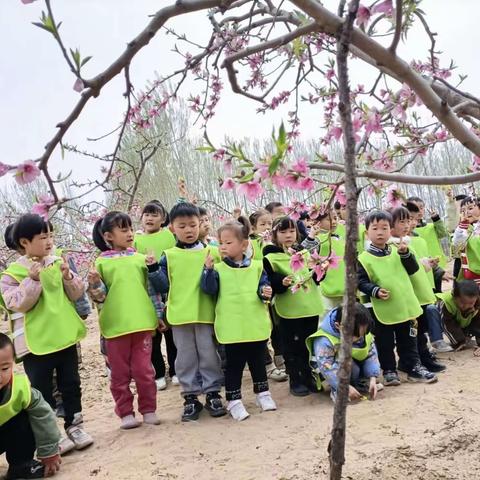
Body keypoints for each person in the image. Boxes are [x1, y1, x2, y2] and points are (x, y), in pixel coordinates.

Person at [0, 214, 92, 452]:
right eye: (43, 237)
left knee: (71, 384)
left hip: (64, 337)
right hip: (35, 345)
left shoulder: (57, 261)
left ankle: (75, 425)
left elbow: (75, 294)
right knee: (42, 390)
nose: (50, 241)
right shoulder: (11, 275)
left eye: (51, 235)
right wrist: (32, 280)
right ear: (24, 242)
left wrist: (68, 277)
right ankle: (53, 434)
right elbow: (17, 303)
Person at [149, 202, 226, 422]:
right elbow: (163, 286)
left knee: (209, 354)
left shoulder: (211, 252)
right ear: (172, 228)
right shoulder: (169, 255)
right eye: (182, 226)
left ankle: (212, 393)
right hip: (180, 316)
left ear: (200, 224)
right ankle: (190, 396)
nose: (189, 230)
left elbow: (218, 284)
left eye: (193, 225)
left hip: (205, 314)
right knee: (185, 358)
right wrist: (154, 269)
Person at [88, 211, 160, 430]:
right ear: (108, 236)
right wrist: (94, 284)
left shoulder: (141, 259)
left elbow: (152, 292)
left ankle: (148, 409)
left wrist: (158, 315)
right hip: (115, 327)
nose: (130, 233)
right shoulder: (100, 264)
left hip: (142, 324)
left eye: (130, 228)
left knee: (144, 371)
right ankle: (125, 412)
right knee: (119, 374)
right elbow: (99, 297)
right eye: (124, 229)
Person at [201, 218, 277, 421]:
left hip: (254, 324)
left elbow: (264, 288)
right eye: (221, 243)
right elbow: (209, 290)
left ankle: (263, 394)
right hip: (231, 327)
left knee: (258, 361)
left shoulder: (258, 267)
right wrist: (207, 270)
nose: (223, 247)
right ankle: (234, 400)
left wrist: (265, 292)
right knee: (233, 366)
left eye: (228, 242)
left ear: (244, 244)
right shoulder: (217, 268)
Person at [357, 210, 437, 386]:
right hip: (382, 309)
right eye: (375, 228)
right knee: (384, 342)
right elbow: (360, 281)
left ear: (390, 230)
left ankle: (413, 366)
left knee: (409, 339)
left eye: (385, 228)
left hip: (405, 304)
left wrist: (406, 254)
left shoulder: (398, 250)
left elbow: (413, 269)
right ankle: (389, 370)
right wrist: (375, 290)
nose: (380, 232)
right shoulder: (363, 258)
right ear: (367, 232)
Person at [263, 216, 326, 396]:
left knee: (309, 346)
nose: (288, 235)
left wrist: (322, 269)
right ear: (274, 234)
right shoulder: (270, 257)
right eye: (282, 232)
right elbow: (269, 280)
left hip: (310, 307)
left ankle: (309, 378)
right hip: (289, 311)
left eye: (291, 231)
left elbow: (314, 277)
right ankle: (295, 380)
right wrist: (280, 282)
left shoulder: (304, 253)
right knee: (292, 347)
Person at [389, 207, 445, 373]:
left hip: (418, 293)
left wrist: (427, 263)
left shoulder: (406, 242)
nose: (407, 225)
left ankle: (423, 357)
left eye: (408, 221)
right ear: (390, 224)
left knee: (419, 329)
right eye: (402, 221)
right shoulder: (391, 246)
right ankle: (411, 361)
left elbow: (414, 267)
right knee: (409, 332)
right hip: (408, 295)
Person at [0, 333, 62, 480]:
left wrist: (49, 451)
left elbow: (44, 416)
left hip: (7, 435)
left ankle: (21, 465)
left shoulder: (21, 389)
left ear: (13, 362)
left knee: (29, 414)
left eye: (4, 368)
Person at [134, 200, 178, 391]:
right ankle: (158, 373)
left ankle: (175, 371)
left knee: (171, 334)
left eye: (155, 214)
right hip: (147, 292)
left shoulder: (169, 235)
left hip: (168, 288)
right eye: (147, 214)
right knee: (152, 337)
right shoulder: (136, 240)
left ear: (163, 219)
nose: (150, 218)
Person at [306, 304, 382, 403]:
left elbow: (371, 353)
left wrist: (373, 378)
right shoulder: (324, 340)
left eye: (362, 334)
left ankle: (361, 382)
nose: (359, 338)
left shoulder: (361, 331)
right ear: (339, 326)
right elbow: (326, 368)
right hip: (334, 371)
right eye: (355, 335)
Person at [405, 202, 453, 353]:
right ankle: (420, 348)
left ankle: (435, 340)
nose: (412, 223)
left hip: (427, 281)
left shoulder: (419, 238)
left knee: (432, 308)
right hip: (412, 286)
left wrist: (437, 270)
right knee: (416, 316)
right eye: (408, 219)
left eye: (413, 219)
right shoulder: (398, 242)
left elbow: (423, 260)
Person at [249, 209, 287, 383]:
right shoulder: (249, 244)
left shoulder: (274, 243)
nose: (266, 227)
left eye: (269, 224)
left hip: (272, 291)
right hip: (255, 291)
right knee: (263, 328)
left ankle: (281, 357)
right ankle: (268, 364)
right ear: (253, 227)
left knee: (277, 326)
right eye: (262, 224)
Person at [408, 196, 449, 292]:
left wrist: (437, 220)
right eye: (415, 208)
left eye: (421, 208)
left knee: (436, 291)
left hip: (435, 265)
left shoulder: (431, 226)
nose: (419, 210)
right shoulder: (407, 232)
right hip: (419, 268)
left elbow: (443, 234)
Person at [437, 280, 480, 355]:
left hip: (462, 322)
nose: (466, 306)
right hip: (441, 322)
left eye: (471, 303)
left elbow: (478, 323)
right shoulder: (446, 303)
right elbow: (448, 324)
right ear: (454, 297)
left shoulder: (478, 303)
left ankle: (466, 335)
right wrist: (460, 341)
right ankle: (437, 341)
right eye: (462, 303)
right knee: (431, 310)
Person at [452, 196, 480, 284]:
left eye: (470, 208)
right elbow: (456, 247)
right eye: (462, 210)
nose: (466, 212)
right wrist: (462, 227)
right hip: (470, 278)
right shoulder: (465, 229)